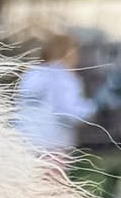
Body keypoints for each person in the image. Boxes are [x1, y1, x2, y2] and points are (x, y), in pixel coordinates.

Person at [11, 31, 86, 170]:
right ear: (67, 52)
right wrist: (95, 107)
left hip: (23, 145)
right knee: (52, 189)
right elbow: (69, 114)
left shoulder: (31, 74)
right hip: (52, 147)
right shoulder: (63, 78)